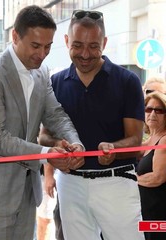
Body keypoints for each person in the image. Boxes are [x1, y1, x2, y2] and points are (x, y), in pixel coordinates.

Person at [0, 5, 84, 240]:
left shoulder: (42, 73)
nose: (42, 54)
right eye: (36, 46)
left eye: (48, 46)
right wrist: (47, 153)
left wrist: (75, 142)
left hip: (27, 192)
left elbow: (55, 114)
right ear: (15, 36)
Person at [39, 10, 145, 240]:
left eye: (93, 46)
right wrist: (59, 146)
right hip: (70, 184)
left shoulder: (127, 81)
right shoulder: (55, 83)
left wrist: (114, 150)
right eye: (77, 45)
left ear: (104, 43)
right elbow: (44, 137)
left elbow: (136, 141)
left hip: (116, 182)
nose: (85, 54)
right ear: (66, 41)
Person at [137, 91, 166, 240]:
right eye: (148, 109)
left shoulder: (164, 140)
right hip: (146, 215)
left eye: (159, 110)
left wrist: (130, 180)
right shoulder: (148, 141)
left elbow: (157, 177)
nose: (152, 113)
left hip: (160, 217)